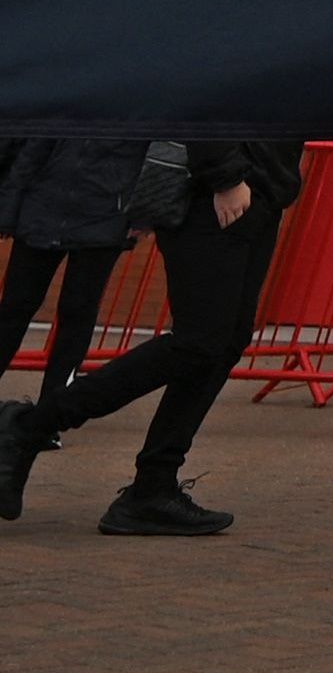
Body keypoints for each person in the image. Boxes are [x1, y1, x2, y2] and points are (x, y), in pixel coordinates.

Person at [0, 137, 304, 534]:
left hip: (262, 192)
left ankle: (152, 487)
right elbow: (204, 97)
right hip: (214, 192)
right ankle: (31, 425)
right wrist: (224, 175)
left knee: (224, 344)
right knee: (198, 342)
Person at [0, 133, 146, 452]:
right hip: (42, 209)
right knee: (13, 308)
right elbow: (31, 149)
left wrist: (143, 214)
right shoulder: (66, 93)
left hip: (106, 218)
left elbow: (155, 153)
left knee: (77, 314)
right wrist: (10, 209)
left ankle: (50, 416)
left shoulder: (142, 98)